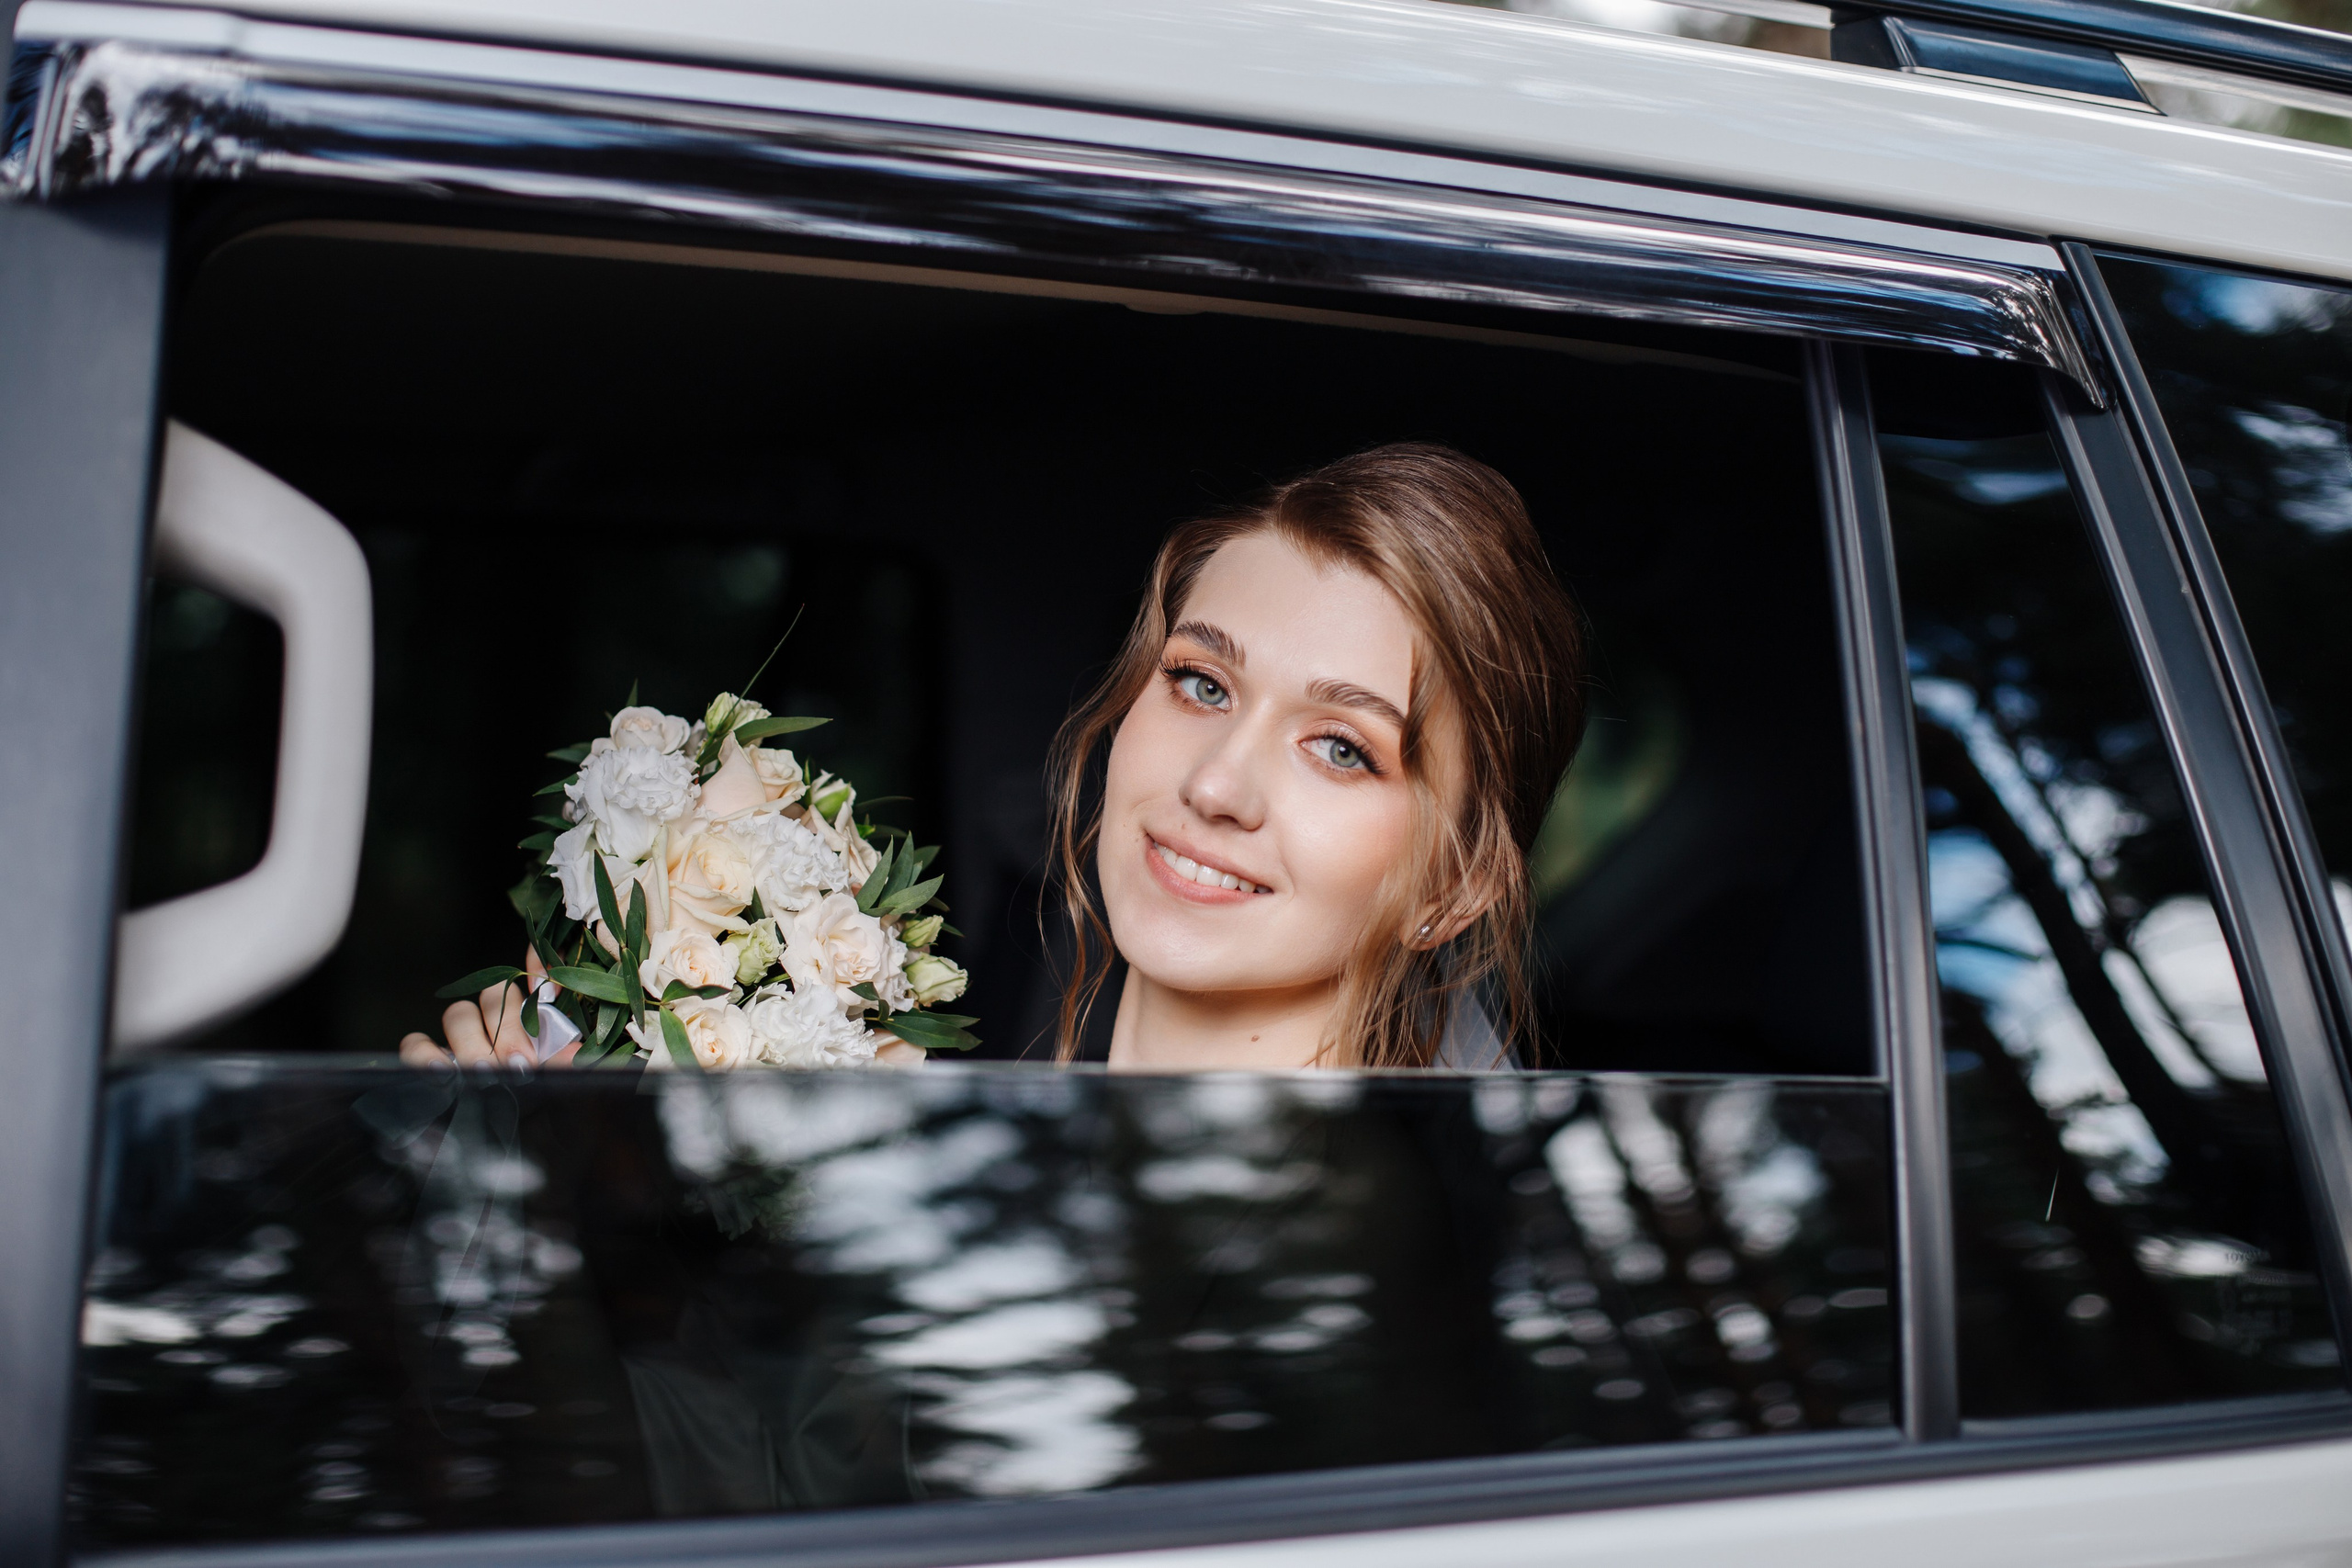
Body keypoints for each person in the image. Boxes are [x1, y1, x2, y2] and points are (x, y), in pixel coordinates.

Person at [403, 442, 1586, 1072]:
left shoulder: (1338, 1282)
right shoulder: (977, 1155)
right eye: (1199, 683)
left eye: (1340, 746)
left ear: (1454, 885)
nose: (1214, 787)